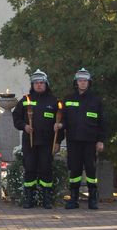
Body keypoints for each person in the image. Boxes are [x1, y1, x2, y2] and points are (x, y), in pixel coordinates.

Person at [12, 69, 62, 209]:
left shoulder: (54, 101)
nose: (39, 85)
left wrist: (58, 140)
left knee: (46, 169)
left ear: (46, 84)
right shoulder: (26, 100)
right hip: (30, 142)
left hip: (47, 142)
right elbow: (16, 118)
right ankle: (29, 198)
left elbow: (61, 124)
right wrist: (24, 126)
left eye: (41, 83)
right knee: (30, 169)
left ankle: (46, 199)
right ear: (32, 85)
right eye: (36, 83)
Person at [57, 68, 106, 210]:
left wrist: (101, 140)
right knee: (75, 170)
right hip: (73, 140)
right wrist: (60, 125)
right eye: (80, 81)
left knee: (91, 170)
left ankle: (92, 198)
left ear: (89, 83)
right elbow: (64, 119)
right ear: (76, 82)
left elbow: (102, 122)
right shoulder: (69, 99)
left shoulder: (96, 100)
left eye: (85, 81)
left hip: (90, 141)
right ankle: (73, 198)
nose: (82, 83)